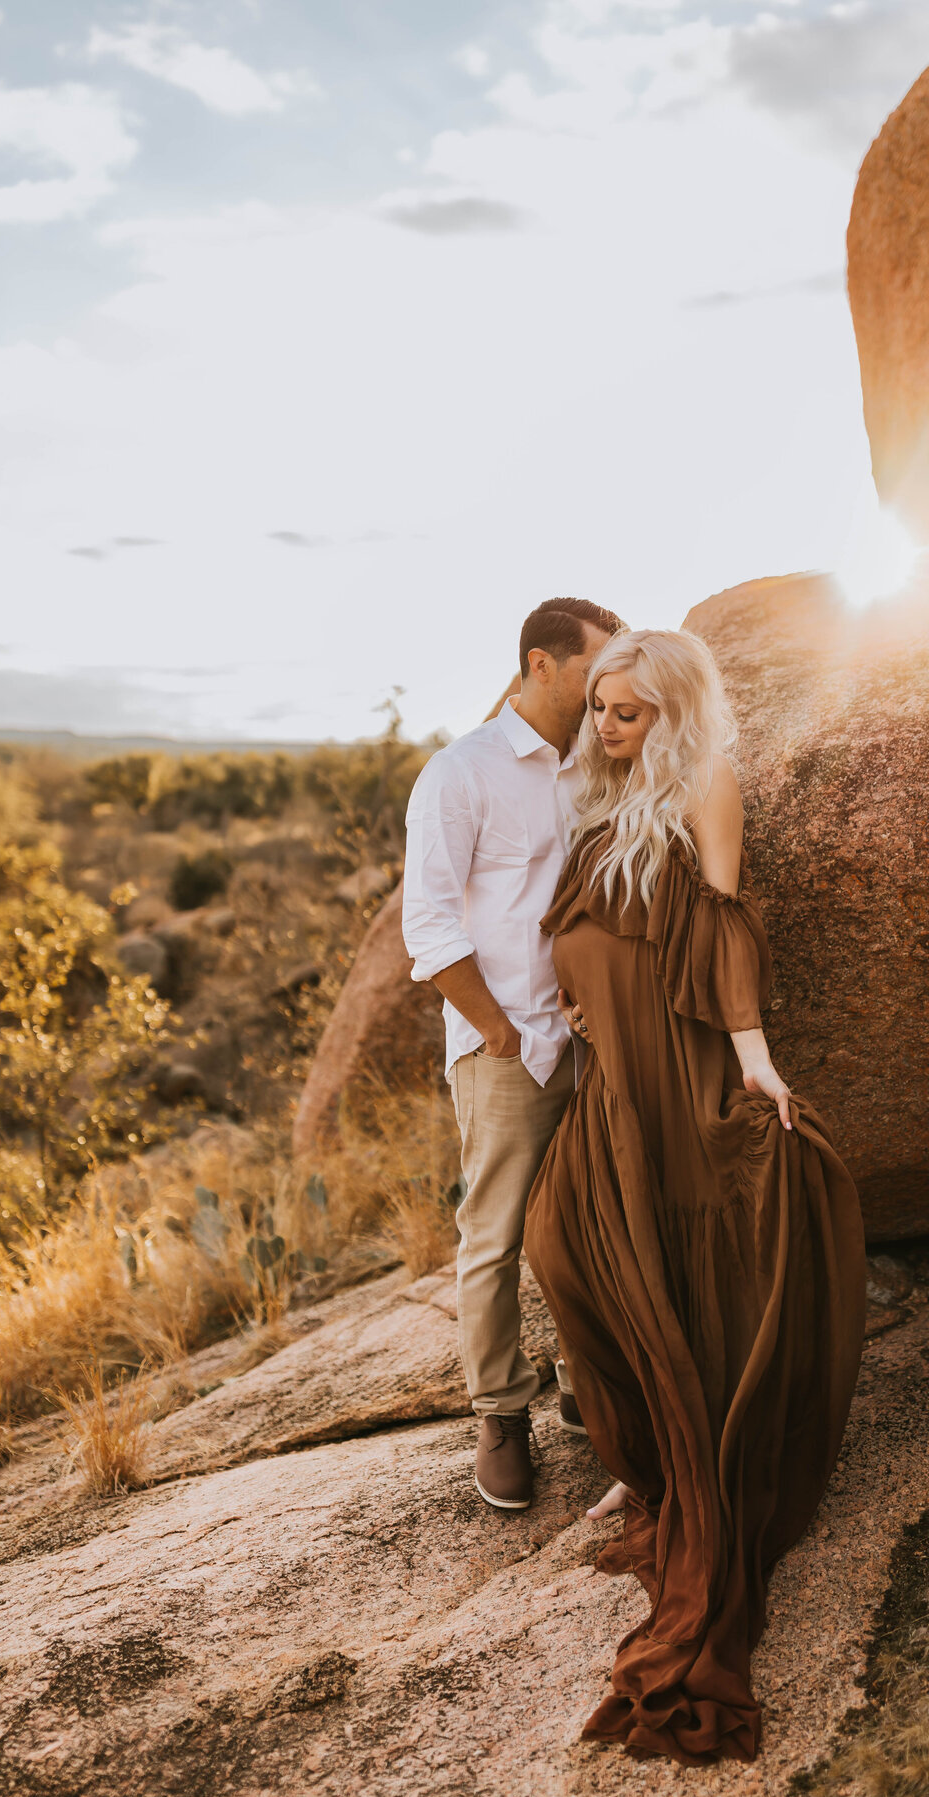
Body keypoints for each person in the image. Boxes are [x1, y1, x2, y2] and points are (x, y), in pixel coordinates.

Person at [523, 627, 867, 1765]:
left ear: (672, 710)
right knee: (563, 1246)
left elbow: (723, 927)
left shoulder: (706, 781)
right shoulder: (609, 797)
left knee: (665, 1248)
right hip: (612, 1073)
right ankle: (668, 1459)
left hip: (677, 1067)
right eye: (602, 711)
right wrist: (573, 1003)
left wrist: (757, 1058)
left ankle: (709, 1467)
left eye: (627, 713)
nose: (607, 728)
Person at [401, 596, 625, 1512]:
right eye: (592, 672)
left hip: (589, 1037)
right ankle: (500, 1414)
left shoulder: (594, 765)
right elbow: (430, 923)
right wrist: (495, 1028)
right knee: (493, 1237)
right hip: (503, 1043)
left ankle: (586, 1389)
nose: (605, 689)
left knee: (583, 1217)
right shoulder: (462, 774)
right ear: (540, 665)